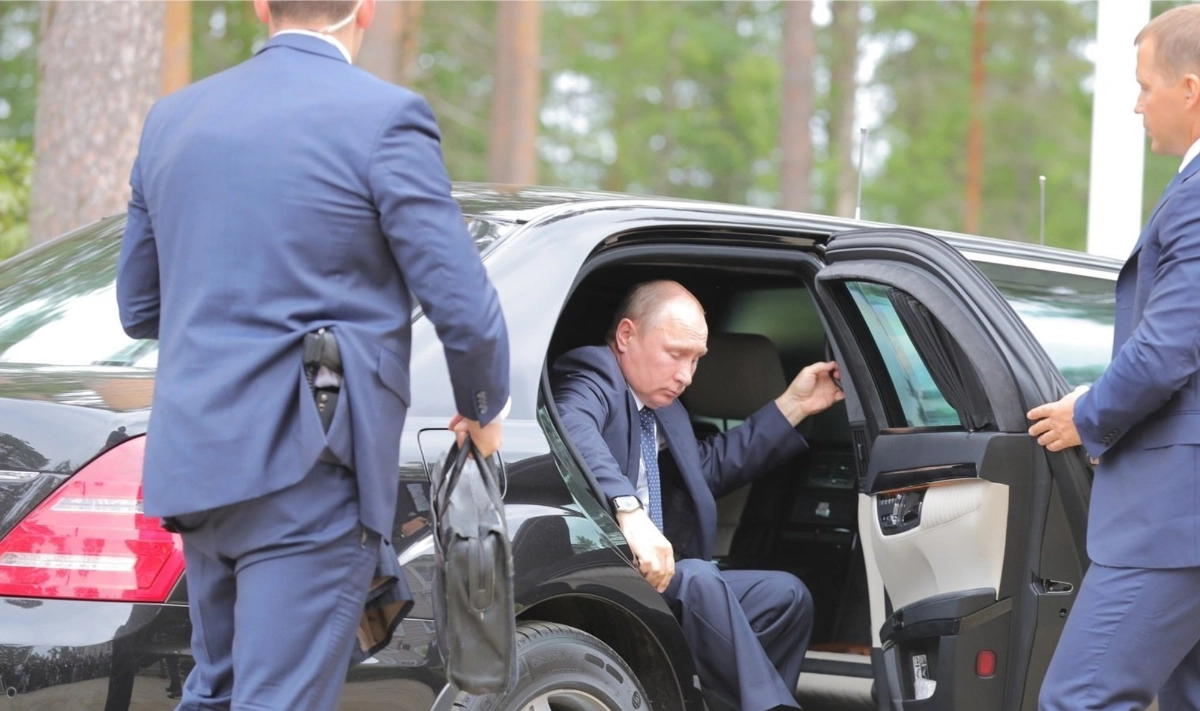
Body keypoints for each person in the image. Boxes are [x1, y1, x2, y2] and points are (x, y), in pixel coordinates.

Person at [115, 1, 510, 709]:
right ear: (366, 8)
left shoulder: (172, 119)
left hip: (197, 462)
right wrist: (484, 408)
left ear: (261, 6)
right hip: (308, 463)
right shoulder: (386, 117)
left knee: (219, 688)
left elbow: (139, 308)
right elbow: (464, 305)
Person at [551, 280, 843, 711]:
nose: (686, 375)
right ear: (627, 336)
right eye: (675, 354)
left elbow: (706, 469)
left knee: (784, 596)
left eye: (695, 360)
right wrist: (628, 511)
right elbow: (574, 427)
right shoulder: (593, 372)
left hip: (661, 580)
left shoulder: (664, 407)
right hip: (602, 578)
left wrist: (794, 406)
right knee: (700, 579)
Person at [1028, 6, 1200, 710]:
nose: (1136, 104)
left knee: (1082, 698)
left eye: (1144, 86)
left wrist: (1091, 414)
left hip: (1171, 515)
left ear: (1190, 89)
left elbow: (1167, 349)